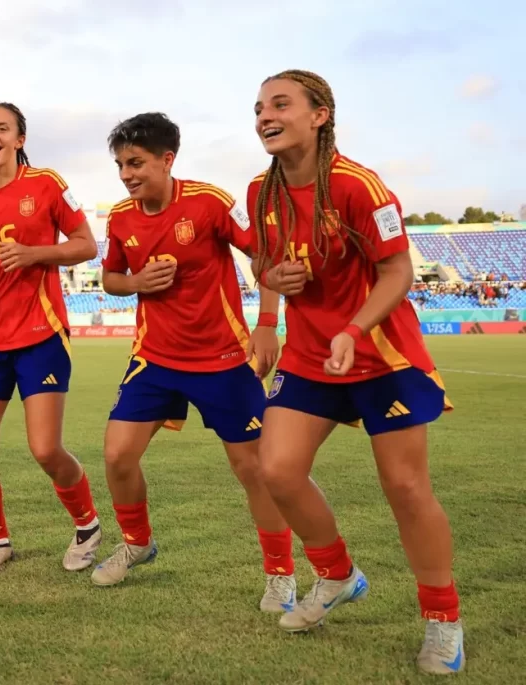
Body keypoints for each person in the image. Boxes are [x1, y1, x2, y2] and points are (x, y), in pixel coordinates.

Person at [249, 70, 462, 675]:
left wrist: (353, 327)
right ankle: (337, 575)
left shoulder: (359, 186)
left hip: (379, 355)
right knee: (278, 470)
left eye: (280, 103)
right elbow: (265, 262)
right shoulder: (259, 192)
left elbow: (397, 271)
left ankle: (443, 620)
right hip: (309, 357)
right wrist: (272, 282)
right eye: (259, 106)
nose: (265, 114)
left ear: (319, 115)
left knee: (405, 488)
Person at [92, 112, 296, 611]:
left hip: (224, 359)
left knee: (253, 468)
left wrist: (267, 323)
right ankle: (138, 543)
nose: (127, 174)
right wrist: (135, 283)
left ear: (168, 159)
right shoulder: (121, 216)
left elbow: (265, 255)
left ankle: (281, 574)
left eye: (136, 163)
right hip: (154, 359)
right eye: (120, 165)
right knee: (118, 455)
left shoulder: (209, 202)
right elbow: (111, 277)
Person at [0, 102, 102, 575]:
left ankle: (87, 525)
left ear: (19, 139)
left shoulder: (46, 184)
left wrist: (33, 254)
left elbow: (86, 245)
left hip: (40, 331)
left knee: (45, 448)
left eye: (2, 128)